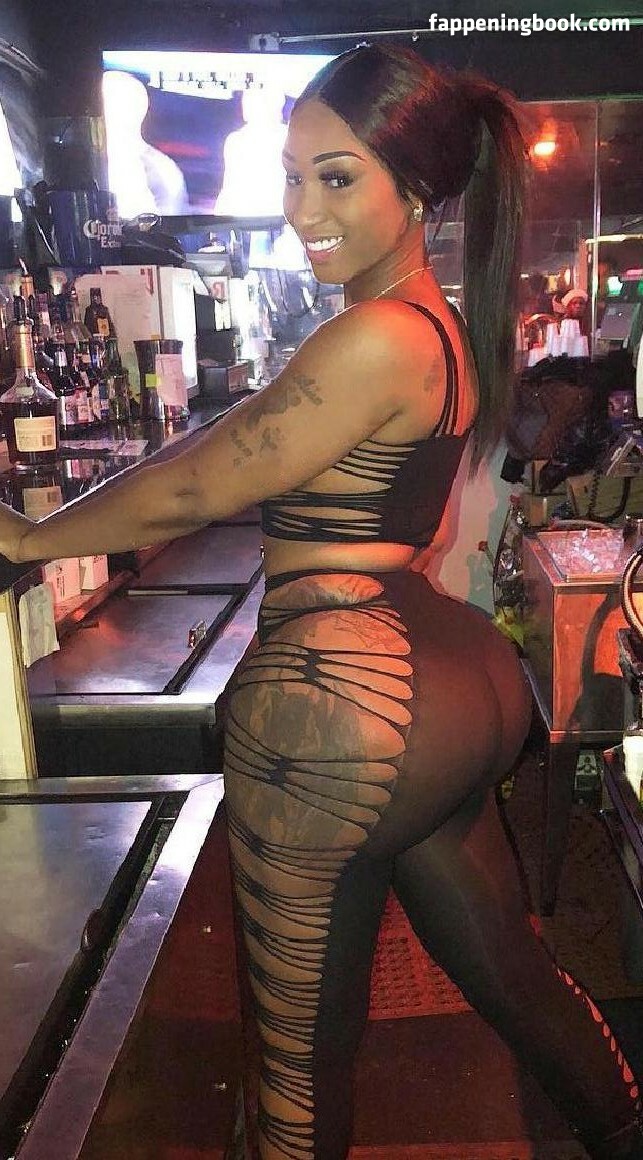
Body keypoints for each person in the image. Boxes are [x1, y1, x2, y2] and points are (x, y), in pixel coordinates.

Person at [1, 43, 641, 1160]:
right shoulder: (427, 323)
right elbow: (235, 438)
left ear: (419, 191)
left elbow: (204, 482)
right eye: (292, 176)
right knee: (512, 974)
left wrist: (27, 537)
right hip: (444, 683)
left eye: (335, 177)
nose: (301, 208)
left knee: (295, 1066)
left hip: (340, 696)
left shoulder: (373, 336)